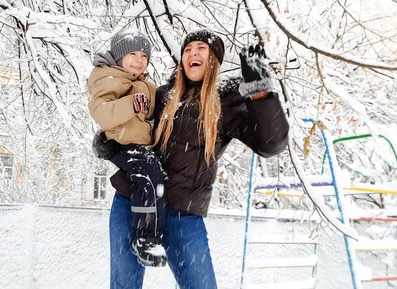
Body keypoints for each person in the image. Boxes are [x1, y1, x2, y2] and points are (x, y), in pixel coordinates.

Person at [97, 29, 290, 289]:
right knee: (123, 285)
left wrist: (259, 88)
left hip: (183, 214)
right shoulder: (163, 95)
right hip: (134, 200)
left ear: (214, 60)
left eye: (201, 48)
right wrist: (110, 144)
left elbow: (272, 143)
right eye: (187, 49)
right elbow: (131, 126)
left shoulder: (226, 105)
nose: (192, 53)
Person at [88, 28, 167, 267]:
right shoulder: (108, 77)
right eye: (133, 54)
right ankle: (146, 237)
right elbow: (101, 112)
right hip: (122, 143)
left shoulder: (143, 84)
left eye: (144, 56)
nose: (139, 60)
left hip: (140, 144)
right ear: (119, 56)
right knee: (150, 177)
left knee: (155, 178)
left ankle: (150, 233)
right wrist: (131, 104)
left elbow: (156, 109)